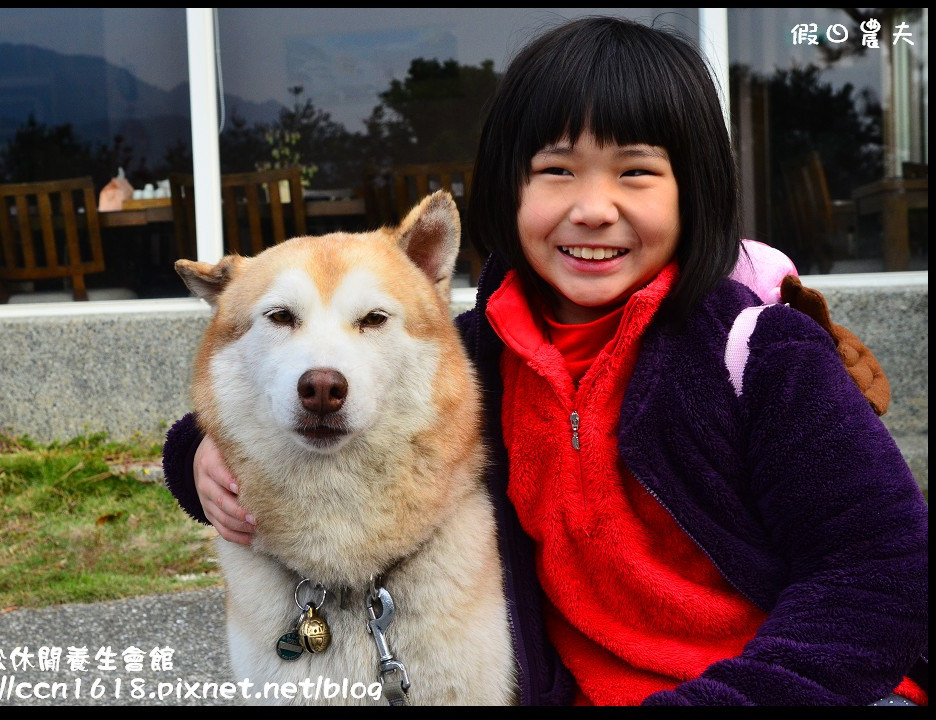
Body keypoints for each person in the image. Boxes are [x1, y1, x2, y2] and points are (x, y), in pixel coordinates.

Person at [162, 16, 927, 706]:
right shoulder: (475, 358)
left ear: (696, 190)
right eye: (557, 170)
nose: (593, 207)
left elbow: (883, 568)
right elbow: (302, 383)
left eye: (635, 171)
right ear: (509, 187)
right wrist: (196, 453)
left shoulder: (761, 356)